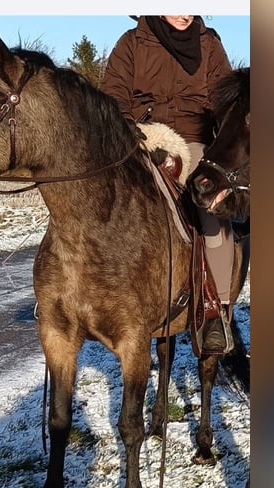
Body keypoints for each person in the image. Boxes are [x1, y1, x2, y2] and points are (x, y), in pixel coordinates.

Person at [100, 15, 235, 353]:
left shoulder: (210, 43)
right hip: (141, 138)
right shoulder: (131, 42)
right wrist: (131, 130)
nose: (184, 12)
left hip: (193, 140)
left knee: (212, 213)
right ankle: (72, 292)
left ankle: (216, 311)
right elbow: (113, 94)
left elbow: (226, 97)